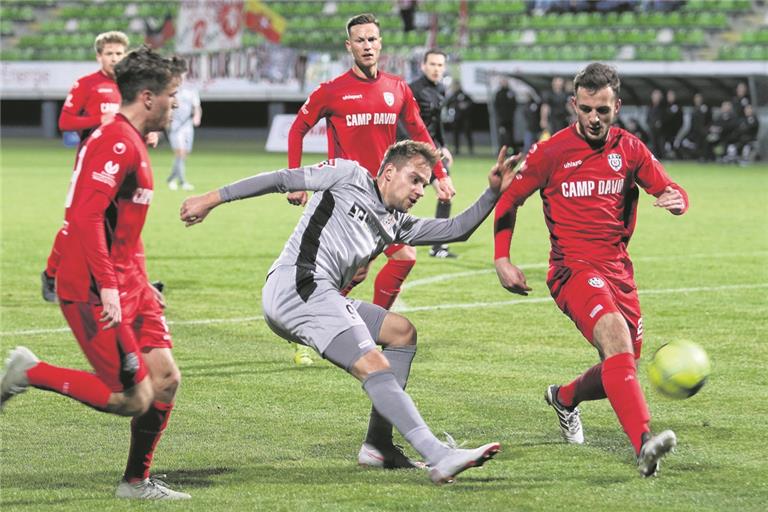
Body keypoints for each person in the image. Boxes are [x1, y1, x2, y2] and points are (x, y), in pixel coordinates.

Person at [179, 140, 518, 483]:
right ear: (389, 172)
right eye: (415, 179)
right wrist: (211, 199)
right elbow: (281, 179)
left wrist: (492, 193)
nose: (420, 190)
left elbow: (456, 230)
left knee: (401, 333)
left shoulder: (396, 223)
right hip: (298, 284)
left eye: (424, 184)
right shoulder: (348, 175)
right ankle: (439, 456)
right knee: (373, 364)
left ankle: (378, 447)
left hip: (321, 295)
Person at [1, 47, 190, 500]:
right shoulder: (116, 142)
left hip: (129, 280)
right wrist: (108, 286)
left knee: (166, 379)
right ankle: (29, 371)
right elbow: (85, 218)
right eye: (172, 94)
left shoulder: (132, 139)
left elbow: (120, 227)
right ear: (148, 97)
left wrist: (140, 282)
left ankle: (135, 483)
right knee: (132, 399)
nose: (177, 103)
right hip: (91, 286)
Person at [493, 63, 689, 477]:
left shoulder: (630, 149)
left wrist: (678, 200)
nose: (594, 118)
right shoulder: (550, 152)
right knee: (616, 337)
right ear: (573, 105)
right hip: (572, 270)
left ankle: (564, 398)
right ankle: (644, 443)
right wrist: (501, 258)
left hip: (618, 271)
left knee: (623, 363)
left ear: (617, 106)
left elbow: (670, 187)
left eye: (602, 109)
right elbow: (509, 200)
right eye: (585, 109)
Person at [285, 13, 455, 366]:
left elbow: (419, 133)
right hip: (346, 198)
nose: (367, 45)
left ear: (380, 43)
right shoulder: (331, 91)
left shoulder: (397, 88)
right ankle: (312, 331)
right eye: (360, 40)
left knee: (382, 264)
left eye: (372, 39)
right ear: (349, 46)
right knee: (373, 265)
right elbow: (297, 129)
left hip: (384, 196)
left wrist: (440, 174)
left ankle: (356, 329)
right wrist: (296, 180)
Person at [42, 31, 159, 303]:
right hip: (92, 166)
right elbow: (65, 122)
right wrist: (99, 118)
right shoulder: (86, 84)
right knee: (74, 225)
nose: (115, 58)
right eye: (109, 54)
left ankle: (132, 280)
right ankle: (50, 275)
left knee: (126, 225)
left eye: (119, 53)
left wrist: (150, 131)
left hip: (126, 168)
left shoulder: (132, 87)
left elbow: (139, 120)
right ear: (99, 56)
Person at [409, 49, 458, 258]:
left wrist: (443, 145)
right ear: (423, 66)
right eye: (432, 64)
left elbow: (437, 122)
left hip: (433, 151)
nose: (436, 69)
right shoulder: (413, 89)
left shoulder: (441, 89)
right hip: (415, 151)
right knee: (399, 199)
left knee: (445, 193)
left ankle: (438, 247)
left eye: (440, 65)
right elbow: (407, 124)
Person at [166, 74, 202, 191]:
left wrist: (197, 117)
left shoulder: (191, 90)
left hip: (187, 126)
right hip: (176, 125)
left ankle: (171, 178)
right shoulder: (171, 90)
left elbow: (197, 107)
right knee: (180, 152)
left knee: (184, 154)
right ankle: (182, 182)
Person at [446, 80, 474, 155]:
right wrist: (453, 109)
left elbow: (471, 103)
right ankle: (456, 149)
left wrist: (466, 105)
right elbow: (448, 104)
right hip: (456, 118)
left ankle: (471, 149)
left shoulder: (464, 95)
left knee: (467, 133)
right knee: (455, 134)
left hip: (465, 117)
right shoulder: (453, 96)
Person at [494, 78, 517, 154]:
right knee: (502, 135)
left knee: (510, 136)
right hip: (501, 119)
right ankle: (501, 151)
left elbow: (514, 104)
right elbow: (496, 106)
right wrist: (500, 116)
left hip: (509, 118)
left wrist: (511, 113)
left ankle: (510, 151)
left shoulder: (510, 93)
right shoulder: (499, 93)